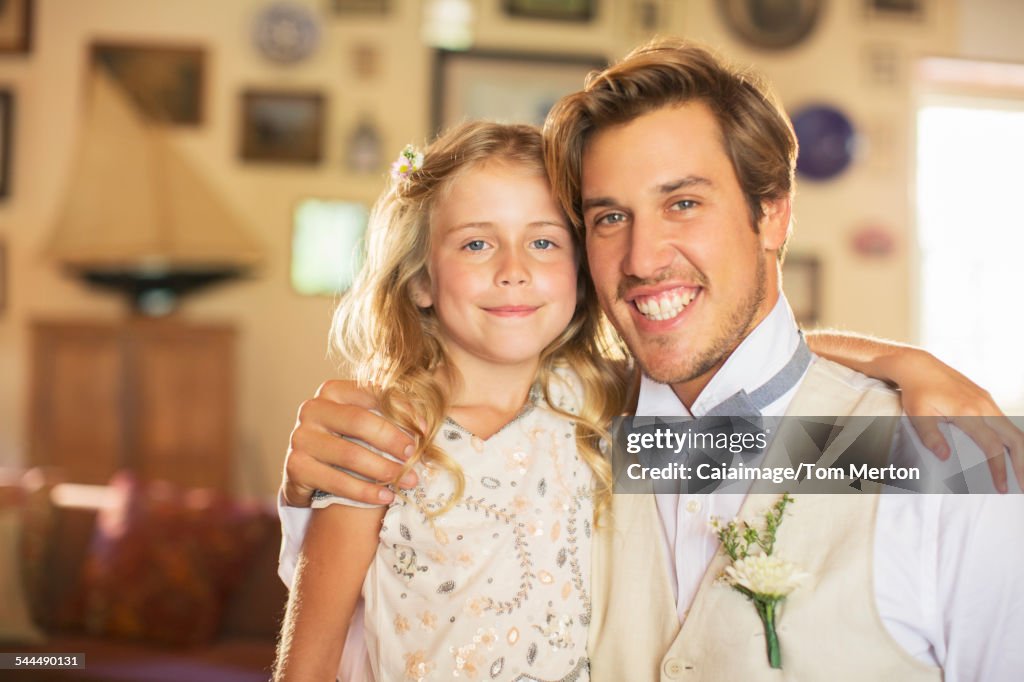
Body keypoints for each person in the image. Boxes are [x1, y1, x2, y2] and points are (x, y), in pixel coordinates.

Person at [278, 41, 1024, 680]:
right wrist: (308, 479)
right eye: (609, 218)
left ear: (774, 214)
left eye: (684, 203)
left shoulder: (944, 464)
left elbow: (800, 409)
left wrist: (906, 363)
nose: (642, 258)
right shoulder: (603, 429)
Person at [273, 121, 627, 681]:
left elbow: (790, 442)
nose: (514, 271)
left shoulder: (604, 410)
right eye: (477, 243)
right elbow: (306, 667)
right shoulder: (377, 441)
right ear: (421, 281)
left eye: (543, 241)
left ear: (579, 275)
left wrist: (815, 348)